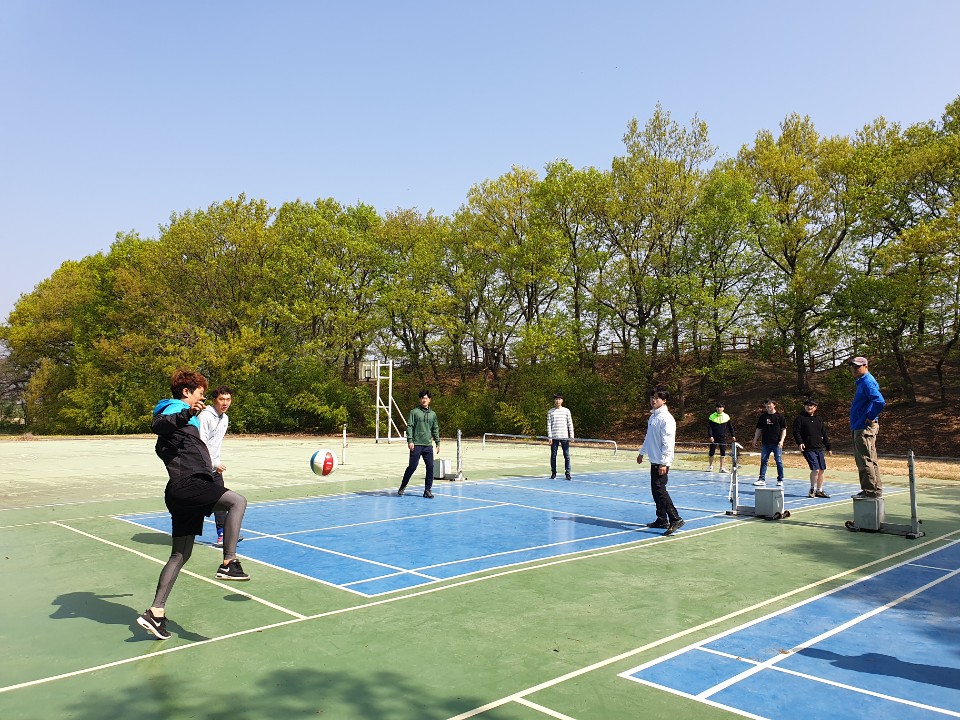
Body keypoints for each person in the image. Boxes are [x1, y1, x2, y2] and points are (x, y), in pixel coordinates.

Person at [137, 370, 250, 641]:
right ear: (186, 392)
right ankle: (228, 562)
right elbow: (159, 424)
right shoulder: (174, 409)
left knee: (180, 555)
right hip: (189, 485)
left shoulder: (187, 421)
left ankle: (155, 612)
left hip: (182, 489)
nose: (203, 398)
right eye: (200, 393)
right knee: (237, 501)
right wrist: (187, 413)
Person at [637, 387, 684, 535]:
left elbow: (668, 443)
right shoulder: (653, 417)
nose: (653, 400)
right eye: (652, 397)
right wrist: (642, 453)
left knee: (660, 490)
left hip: (662, 461)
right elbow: (648, 437)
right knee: (655, 490)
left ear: (664, 400)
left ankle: (675, 518)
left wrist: (664, 462)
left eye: (656, 398)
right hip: (654, 460)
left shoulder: (666, 419)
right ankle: (662, 519)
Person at [199, 385, 238, 548]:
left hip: (214, 468)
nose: (225, 403)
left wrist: (216, 462)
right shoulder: (205, 416)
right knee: (198, 502)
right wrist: (214, 463)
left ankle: (222, 534)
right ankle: (183, 528)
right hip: (200, 467)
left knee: (221, 499)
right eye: (222, 399)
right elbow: (201, 443)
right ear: (215, 400)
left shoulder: (225, 418)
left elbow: (216, 444)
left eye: (228, 399)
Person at [848, 356, 886, 498]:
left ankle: (870, 491)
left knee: (864, 460)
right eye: (852, 367)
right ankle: (874, 489)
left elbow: (879, 401)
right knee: (868, 459)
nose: (854, 369)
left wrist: (870, 416)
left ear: (865, 366)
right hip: (859, 426)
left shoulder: (867, 382)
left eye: (857, 366)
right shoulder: (863, 382)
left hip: (863, 427)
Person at [397, 390, 441, 498]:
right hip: (416, 444)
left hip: (428, 445)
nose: (424, 400)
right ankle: (403, 485)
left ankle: (427, 490)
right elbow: (410, 426)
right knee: (412, 466)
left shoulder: (433, 414)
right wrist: (410, 440)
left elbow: (435, 429)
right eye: (422, 398)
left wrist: (438, 443)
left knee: (430, 467)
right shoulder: (414, 412)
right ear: (420, 399)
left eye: (426, 398)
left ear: (429, 400)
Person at [792, 398, 832, 498]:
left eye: (811, 406)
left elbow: (824, 433)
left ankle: (819, 490)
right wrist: (800, 442)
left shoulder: (819, 419)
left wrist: (828, 447)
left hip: (818, 447)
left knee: (821, 469)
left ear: (815, 407)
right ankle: (812, 489)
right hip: (808, 448)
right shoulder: (800, 418)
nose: (809, 407)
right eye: (807, 405)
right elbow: (796, 432)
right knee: (816, 469)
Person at [752, 398, 786, 487]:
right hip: (765, 443)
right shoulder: (763, 417)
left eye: (770, 404)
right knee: (763, 460)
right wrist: (755, 439)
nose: (768, 405)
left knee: (778, 461)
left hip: (776, 443)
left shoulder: (780, 417)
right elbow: (759, 429)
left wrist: (781, 441)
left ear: (774, 405)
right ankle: (761, 479)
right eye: (766, 404)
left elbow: (784, 429)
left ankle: (780, 479)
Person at [547, 393, 575, 480]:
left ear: (562, 401)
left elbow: (570, 423)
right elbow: (549, 425)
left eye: (559, 399)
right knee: (553, 455)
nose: (558, 401)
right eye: (556, 399)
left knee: (566, 455)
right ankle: (553, 472)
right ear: (554, 400)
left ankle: (567, 473)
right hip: (554, 437)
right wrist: (550, 437)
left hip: (564, 437)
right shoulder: (550, 412)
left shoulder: (566, 411)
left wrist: (571, 435)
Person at [706, 401, 736, 473]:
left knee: (723, 452)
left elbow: (730, 427)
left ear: (723, 408)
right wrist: (710, 436)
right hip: (714, 437)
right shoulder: (711, 416)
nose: (719, 409)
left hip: (722, 437)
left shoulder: (726, 416)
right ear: (716, 408)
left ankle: (721, 468)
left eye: (720, 407)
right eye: (718, 407)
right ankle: (710, 466)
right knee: (711, 452)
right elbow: (709, 428)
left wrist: (733, 435)